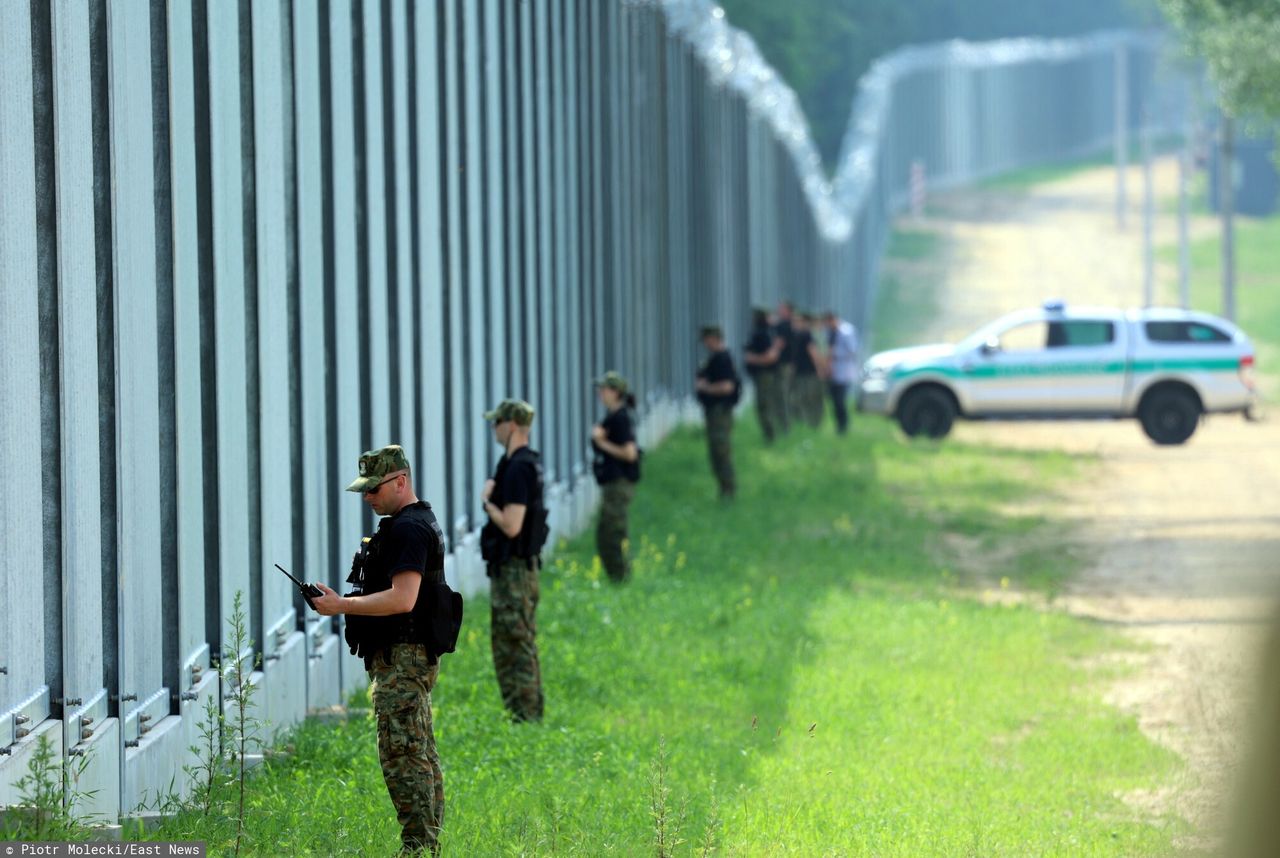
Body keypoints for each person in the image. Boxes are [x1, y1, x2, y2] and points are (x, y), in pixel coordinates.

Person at [313, 444, 447, 856]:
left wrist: (342, 605)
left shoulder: (408, 529)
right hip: (404, 655)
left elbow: (404, 598)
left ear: (400, 481)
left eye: (374, 489)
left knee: (403, 756)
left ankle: (418, 848)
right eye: (364, 491)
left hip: (403, 657)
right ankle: (425, 846)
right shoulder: (410, 522)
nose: (368, 498)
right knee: (417, 750)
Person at [479, 399, 547, 722]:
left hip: (516, 573)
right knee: (507, 644)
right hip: (509, 571)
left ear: (514, 426)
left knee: (517, 645)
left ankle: (527, 717)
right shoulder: (511, 464)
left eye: (498, 423)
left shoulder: (519, 468)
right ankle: (520, 715)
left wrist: (486, 502)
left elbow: (512, 525)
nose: (494, 428)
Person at [591, 372, 641, 582]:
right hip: (612, 483)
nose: (600, 394)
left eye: (605, 390)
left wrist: (602, 443)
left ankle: (621, 576)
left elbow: (630, 453)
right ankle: (616, 576)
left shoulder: (620, 418)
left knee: (613, 533)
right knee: (605, 532)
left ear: (616, 392)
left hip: (618, 483)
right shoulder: (614, 416)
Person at [695, 324, 739, 500]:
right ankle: (724, 489)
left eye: (707, 339)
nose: (705, 344)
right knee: (715, 451)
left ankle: (728, 489)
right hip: (714, 411)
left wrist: (705, 387)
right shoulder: (716, 358)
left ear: (713, 338)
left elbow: (727, 387)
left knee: (721, 451)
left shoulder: (723, 359)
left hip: (720, 411)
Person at [743, 308, 785, 443]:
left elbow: (771, 357)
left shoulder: (763, 333)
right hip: (763, 374)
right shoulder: (766, 332)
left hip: (765, 375)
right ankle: (771, 434)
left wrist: (753, 359)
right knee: (766, 405)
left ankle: (770, 436)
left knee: (765, 405)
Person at [824, 311, 860, 435]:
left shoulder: (847, 331)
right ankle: (839, 426)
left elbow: (852, 350)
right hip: (833, 372)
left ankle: (843, 426)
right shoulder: (831, 332)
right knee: (834, 401)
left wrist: (834, 353)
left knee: (840, 401)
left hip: (844, 372)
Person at [791, 311, 824, 428]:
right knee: (804, 398)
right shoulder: (800, 335)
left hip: (808, 372)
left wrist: (819, 369)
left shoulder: (806, 335)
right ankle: (806, 423)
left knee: (808, 398)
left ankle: (811, 423)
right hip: (802, 372)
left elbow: (813, 353)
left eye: (796, 321)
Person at [774, 300, 796, 434]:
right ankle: (785, 425)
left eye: (781, 309)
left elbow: (779, 344)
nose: (779, 310)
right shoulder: (792, 325)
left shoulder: (784, 325)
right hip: (788, 365)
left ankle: (785, 426)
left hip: (783, 365)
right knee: (785, 394)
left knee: (782, 395)